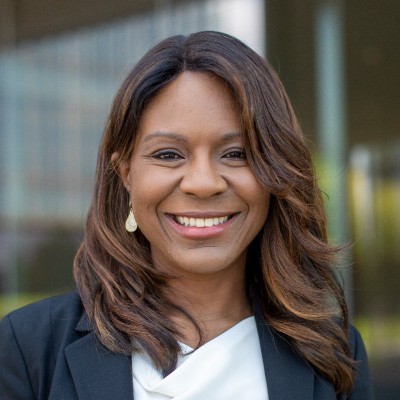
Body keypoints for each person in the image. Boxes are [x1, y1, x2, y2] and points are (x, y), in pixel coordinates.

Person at [0, 31, 373, 400]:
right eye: (168, 154)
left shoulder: (332, 352)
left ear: (276, 171)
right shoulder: (29, 347)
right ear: (126, 173)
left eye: (236, 154)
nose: (203, 184)